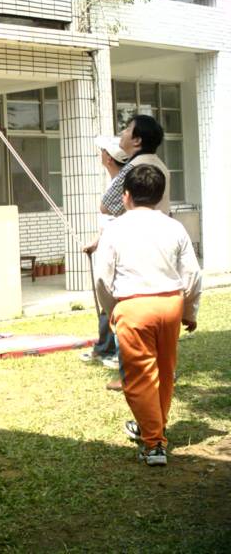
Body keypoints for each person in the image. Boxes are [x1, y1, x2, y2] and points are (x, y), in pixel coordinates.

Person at [94, 165, 201, 466]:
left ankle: (154, 444)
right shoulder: (174, 227)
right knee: (164, 372)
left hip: (133, 306)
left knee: (139, 377)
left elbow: (102, 278)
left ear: (126, 196)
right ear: (160, 195)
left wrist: (112, 310)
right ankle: (153, 426)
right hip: (170, 305)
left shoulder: (115, 229)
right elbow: (192, 274)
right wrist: (190, 310)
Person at [86, 116, 171, 389]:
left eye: (126, 129)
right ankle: (160, 372)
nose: (122, 133)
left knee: (130, 313)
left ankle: (129, 376)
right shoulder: (161, 166)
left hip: (134, 249)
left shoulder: (133, 168)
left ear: (137, 140)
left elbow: (107, 206)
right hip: (162, 250)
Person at [81, 136, 130, 366]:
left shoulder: (121, 185)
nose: (99, 154)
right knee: (107, 298)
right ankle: (105, 347)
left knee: (112, 297)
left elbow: (115, 220)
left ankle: (115, 352)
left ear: (109, 158)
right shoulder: (114, 183)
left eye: (102, 151)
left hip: (118, 251)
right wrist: (96, 241)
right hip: (108, 246)